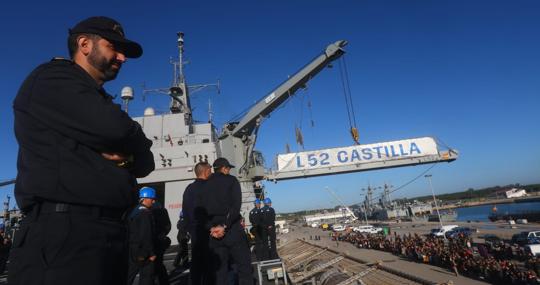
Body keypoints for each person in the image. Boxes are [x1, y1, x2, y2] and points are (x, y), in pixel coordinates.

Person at [9, 16, 153, 285]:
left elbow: (146, 163)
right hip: (66, 236)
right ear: (84, 44)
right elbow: (116, 129)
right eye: (115, 47)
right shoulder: (52, 79)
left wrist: (129, 156)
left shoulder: (97, 100)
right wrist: (132, 135)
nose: (122, 57)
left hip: (106, 235)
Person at [197, 158, 253, 285]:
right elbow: (236, 206)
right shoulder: (231, 181)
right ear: (223, 168)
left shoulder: (203, 185)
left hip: (213, 235)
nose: (229, 170)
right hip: (232, 230)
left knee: (219, 273)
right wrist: (224, 226)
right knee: (244, 268)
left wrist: (211, 228)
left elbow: (200, 212)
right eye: (228, 168)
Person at [179, 162, 212, 284]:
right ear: (206, 171)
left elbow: (185, 210)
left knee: (197, 264)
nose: (212, 172)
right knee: (211, 265)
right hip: (209, 232)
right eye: (210, 169)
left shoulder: (189, 189)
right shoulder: (209, 187)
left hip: (195, 232)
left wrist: (190, 228)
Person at [128, 187, 158, 285]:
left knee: (129, 276)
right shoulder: (145, 214)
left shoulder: (135, 210)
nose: (153, 201)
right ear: (144, 199)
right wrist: (151, 253)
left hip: (133, 249)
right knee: (147, 278)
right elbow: (146, 235)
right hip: (144, 253)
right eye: (151, 199)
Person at [152, 201, 172, 285]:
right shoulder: (163, 210)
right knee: (159, 264)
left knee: (152, 266)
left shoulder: (147, 210)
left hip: (152, 241)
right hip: (160, 240)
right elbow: (168, 226)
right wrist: (163, 234)